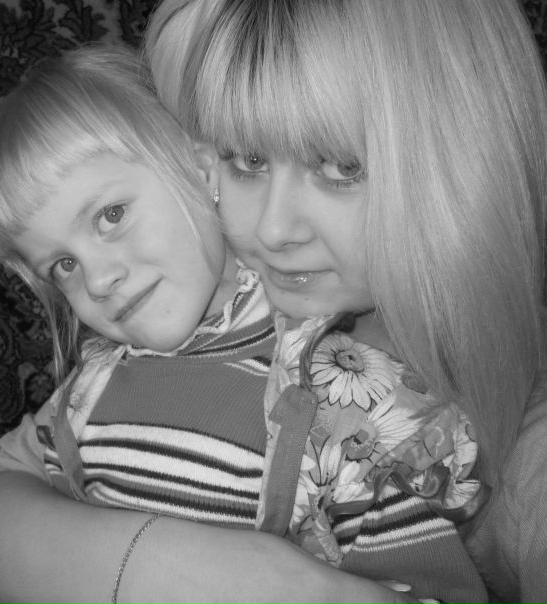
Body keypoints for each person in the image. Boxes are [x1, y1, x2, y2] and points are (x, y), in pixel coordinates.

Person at [0, 42, 423, 604]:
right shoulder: (86, 394)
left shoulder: (347, 385)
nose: (99, 279)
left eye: (111, 216)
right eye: (64, 265)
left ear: (200, 170)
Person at [143, 0, 547, 602]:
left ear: (459, 166)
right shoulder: (200, 309)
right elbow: (4, 481)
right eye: (248, 159)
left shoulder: (527, 436)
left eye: (340, 166)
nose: (274, 229)